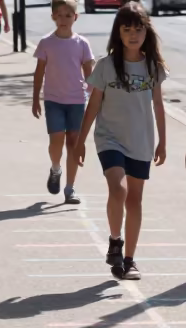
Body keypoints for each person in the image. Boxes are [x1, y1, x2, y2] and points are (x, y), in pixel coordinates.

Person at [75, 2, 168, 281]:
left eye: (138, 29)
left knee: (135, 200)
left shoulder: (153, 67)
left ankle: (129, 260)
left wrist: (163, 142)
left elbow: (159, 106)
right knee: (119, 190)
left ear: (146, 32)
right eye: (126, 29)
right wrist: (80, 141)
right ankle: (115, 241)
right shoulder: (106, 66)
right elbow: (93, 106)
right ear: (118, 32)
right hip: (109, 139)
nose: (132, 34)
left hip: (140, 141)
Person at [32, 0, 94, 205]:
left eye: (69, 15)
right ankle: (55, 168)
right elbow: (39, 71)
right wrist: (35, 99)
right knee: (56, 140)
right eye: (59, 15)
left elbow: (89, 73)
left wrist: (92, 95)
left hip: (77, 100)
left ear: (75, 17)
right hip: (53, 100)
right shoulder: (46, 42)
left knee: (73, 143)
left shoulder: (82, 43)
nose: (64, 19)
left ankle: (70, 188)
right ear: (53, 17)